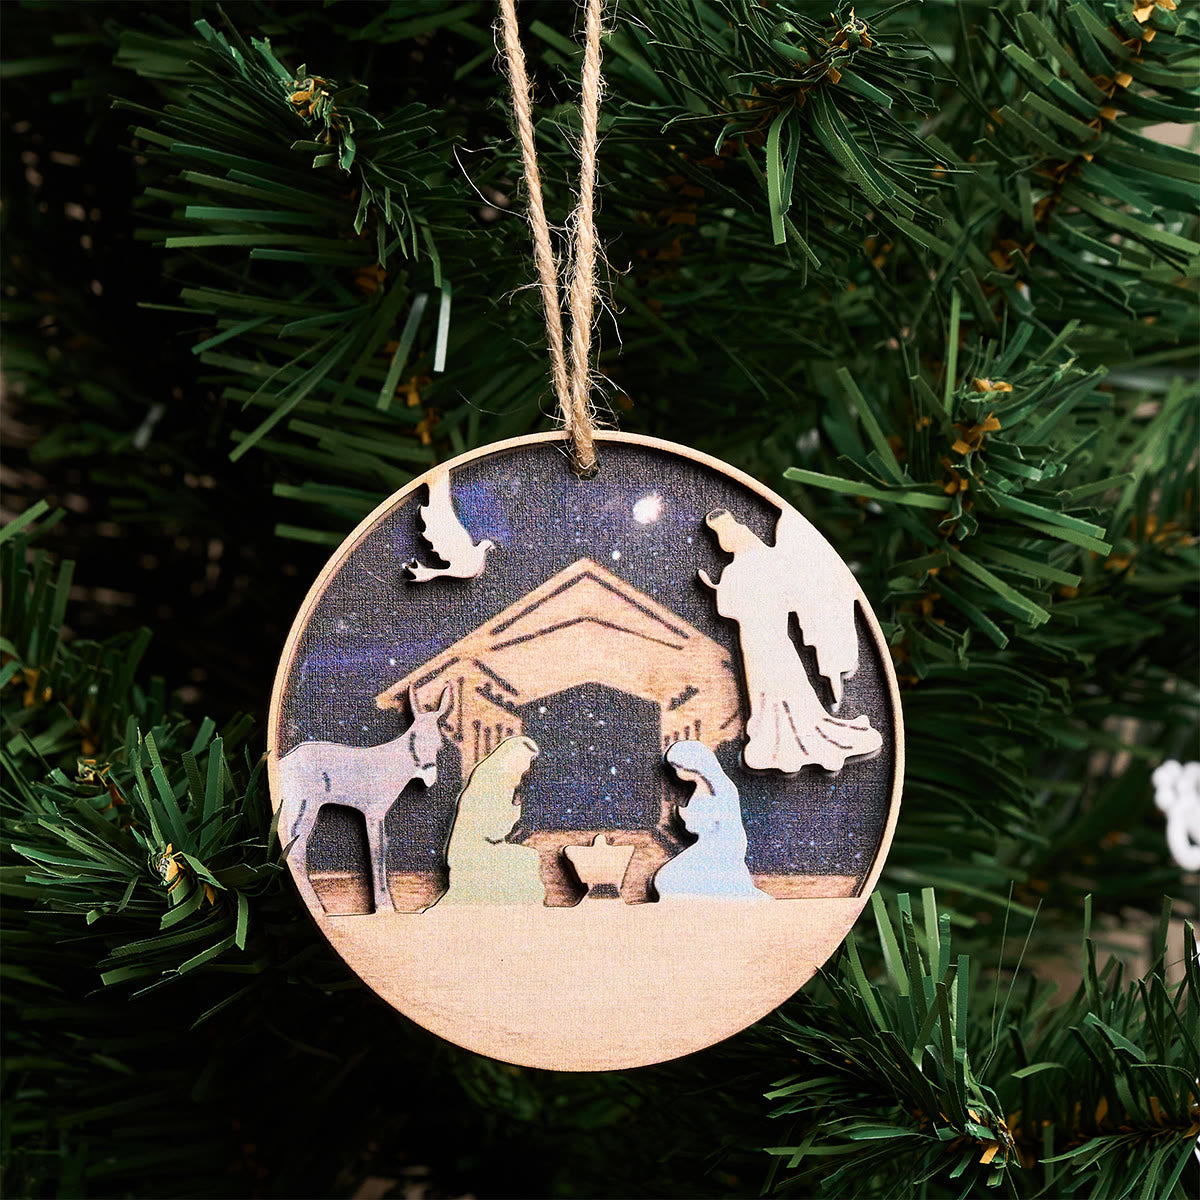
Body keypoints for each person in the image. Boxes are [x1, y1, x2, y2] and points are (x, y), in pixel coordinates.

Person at [699, 508, 882, 773]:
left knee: (771, 688)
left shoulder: (738, 570)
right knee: (773, 689)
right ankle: (780, 740)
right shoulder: (766, 564)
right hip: (766, 639)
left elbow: (728, 609)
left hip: (760, 639)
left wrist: (716, 589)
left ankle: (781, 743)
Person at [654, 740, 770, 900]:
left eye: (679, 767)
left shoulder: (725, 790)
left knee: (671, 880)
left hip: (717, 849)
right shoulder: (701, 790)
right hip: (707, 844)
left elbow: (716, 824)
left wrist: (688, 815)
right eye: (675, 768)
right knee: (666, 880)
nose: (678, 772)